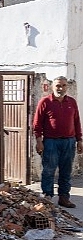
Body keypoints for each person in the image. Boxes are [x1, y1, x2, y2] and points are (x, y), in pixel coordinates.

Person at [33, 76, 83, 208]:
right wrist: (39, 141)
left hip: (69, 142)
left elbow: (77, 122)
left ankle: (64, 197)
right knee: (49, 170)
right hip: (51, 142)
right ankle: (47, 196)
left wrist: (79, 140)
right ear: (52, 87)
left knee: (66, 171)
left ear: (67, 86)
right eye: (58, 86)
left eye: (64, 85)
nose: (61, 88)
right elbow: (37, 124)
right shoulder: (45, 102)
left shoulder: (71, 102)